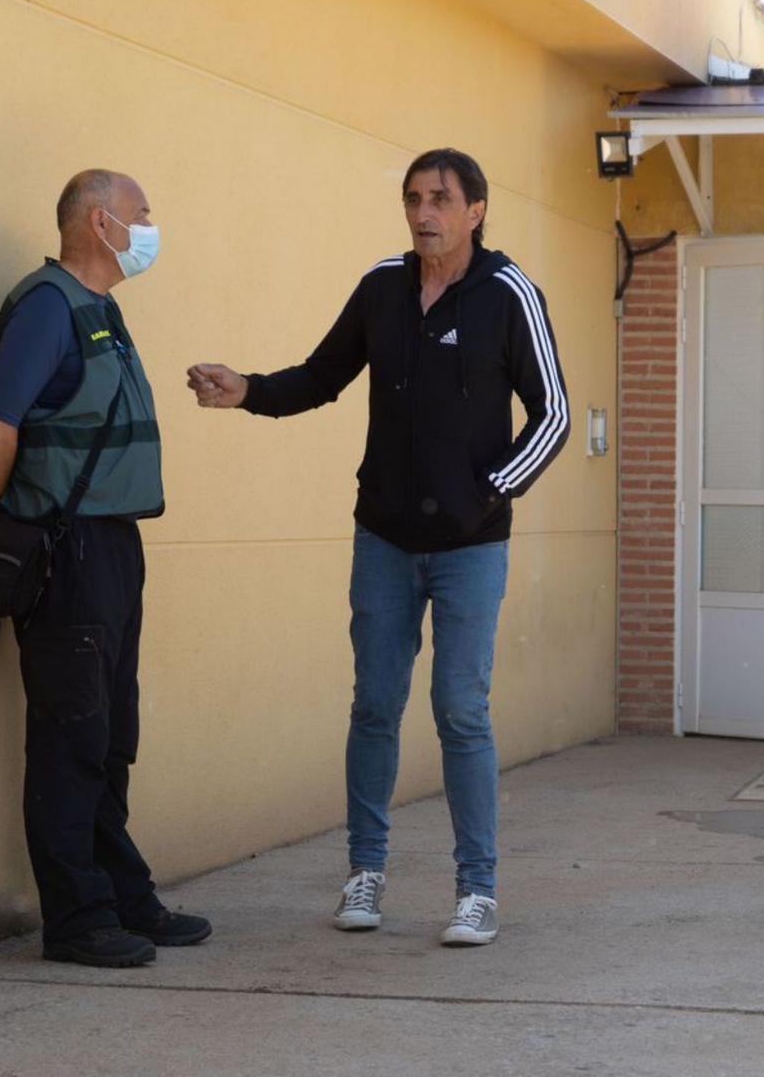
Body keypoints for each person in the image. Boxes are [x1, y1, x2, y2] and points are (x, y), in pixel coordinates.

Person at [187, 148, 569, 945]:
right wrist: (249, 390)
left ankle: (477, 890)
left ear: (476, 210)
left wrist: (488, 492)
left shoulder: (509, 294)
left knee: (461, 711)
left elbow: (553, 415)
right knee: (374, 706)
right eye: (412, 198)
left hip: (471, 547)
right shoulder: (380, 289)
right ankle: (364, 875)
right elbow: (322, 376)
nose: (424, 212)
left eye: (440, 198)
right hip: (384, 541)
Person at [0, 169, 212, 967]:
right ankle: (75, 920)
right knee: (73, 737)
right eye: (143, 214)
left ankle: (121, 895)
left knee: (110, 735)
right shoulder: (46, 306)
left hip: (113, 547)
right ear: (102, 224)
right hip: (67, 549)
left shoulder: (100, 309)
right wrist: (18, 521)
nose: (152, 228)